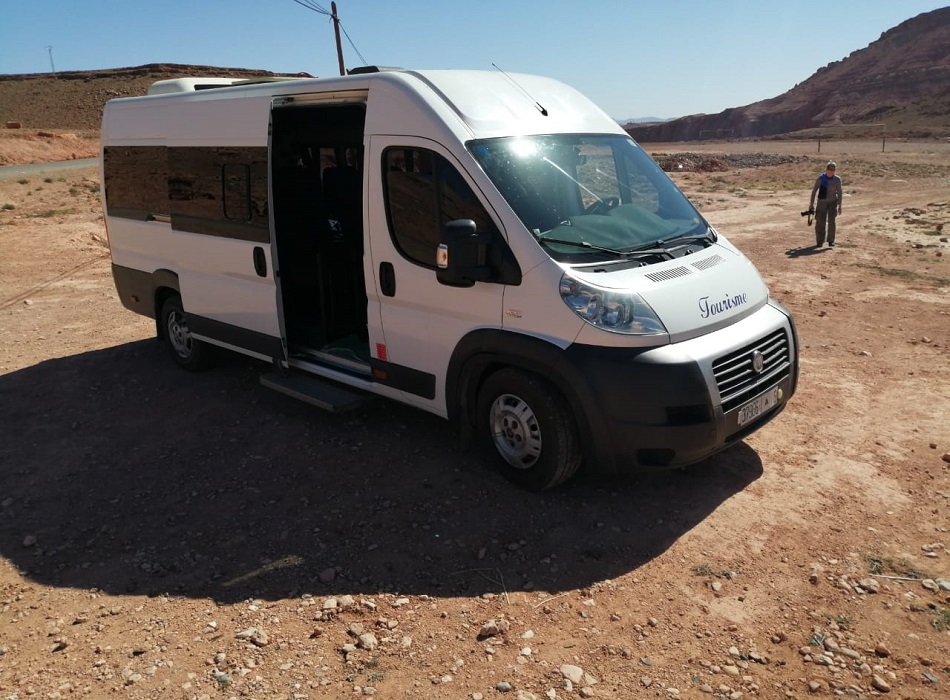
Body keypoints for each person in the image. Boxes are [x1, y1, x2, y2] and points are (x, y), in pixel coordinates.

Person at [808, 161, 843, 247]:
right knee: (820, 221)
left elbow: (839, 192)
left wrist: (840, 205)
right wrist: (811, 204)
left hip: (832, 202)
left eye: (832, 170)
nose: (830, 172)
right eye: (829, 170)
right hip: (822, 202)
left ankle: (831, 240)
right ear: (826, 170)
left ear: (834, 171)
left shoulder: (837, 180)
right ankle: (820, 241)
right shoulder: (821, 178)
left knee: (832, 221)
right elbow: (814, 191)